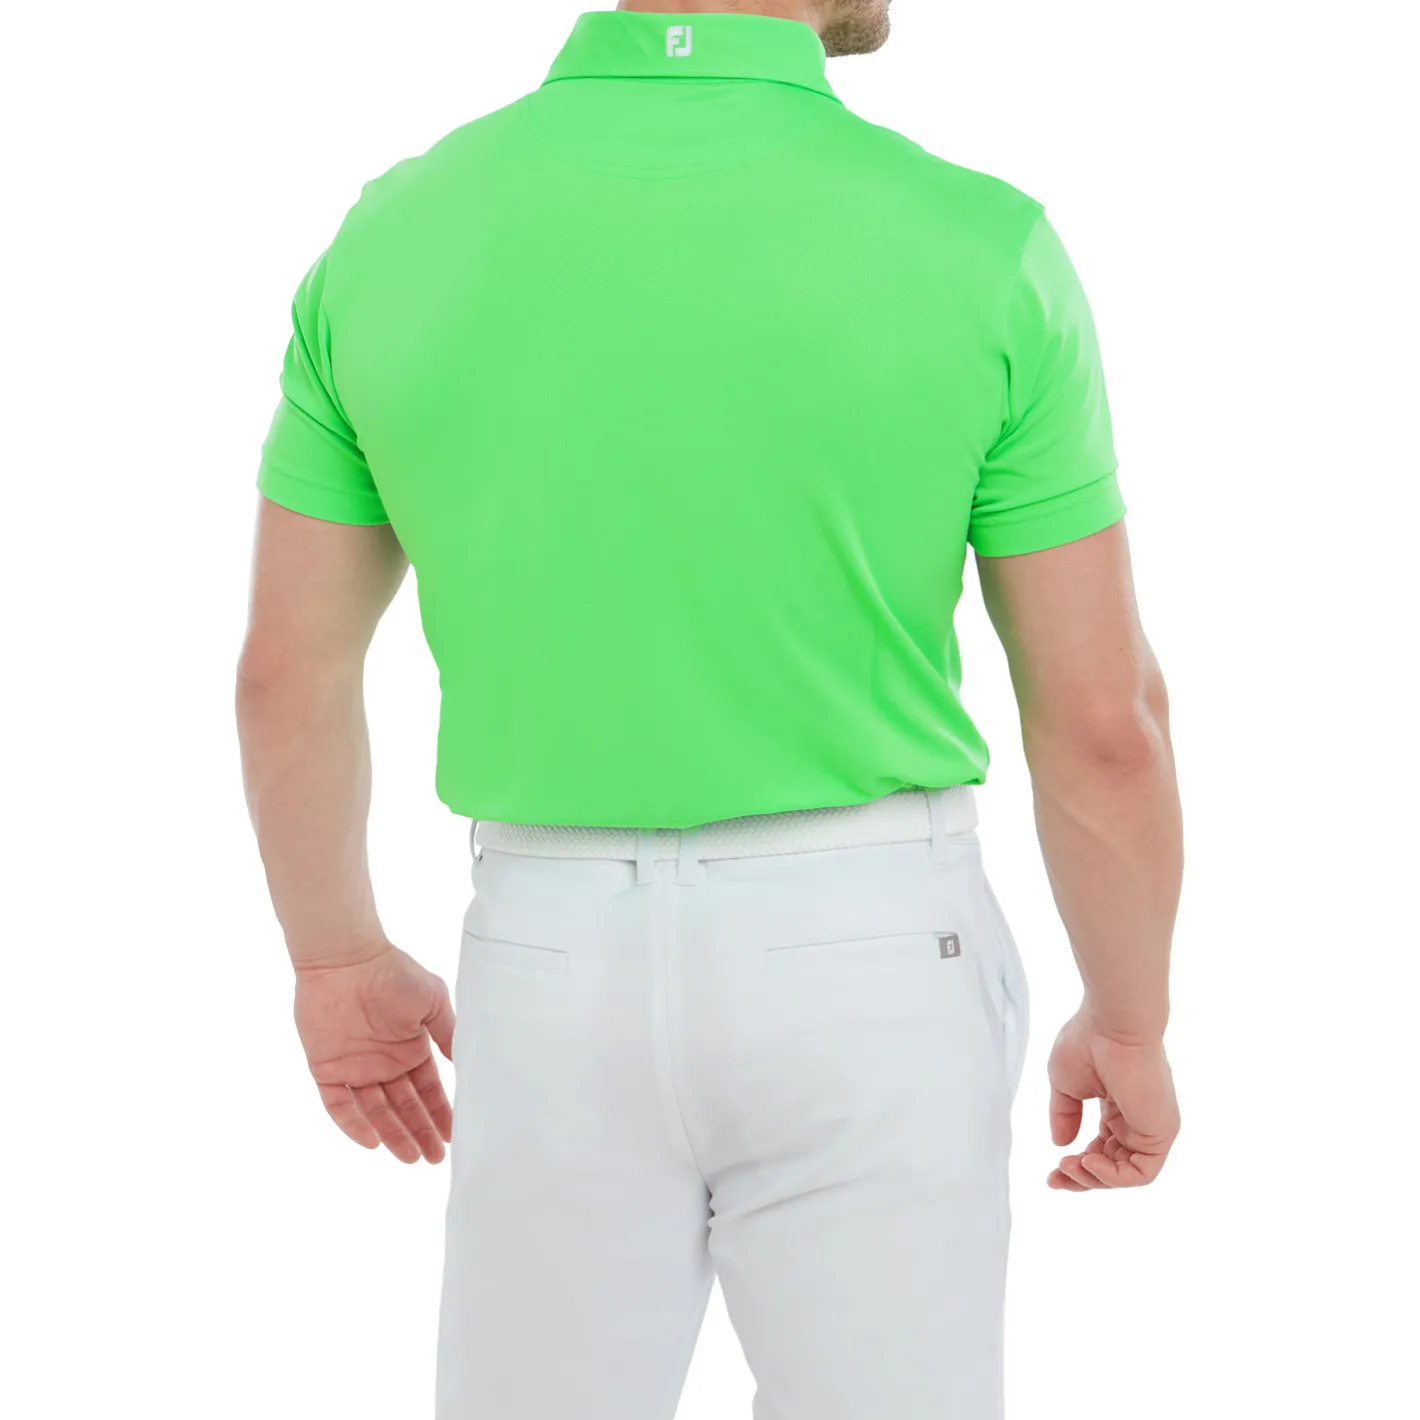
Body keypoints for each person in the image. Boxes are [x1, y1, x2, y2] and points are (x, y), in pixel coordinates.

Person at [235, 3, 1183, 1416]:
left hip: (544, 958)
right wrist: (1131, 1019)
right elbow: (1105, 722)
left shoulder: (394, 234)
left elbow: (285, 673)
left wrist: (335, 958)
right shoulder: (981, 244)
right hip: (871, 949)